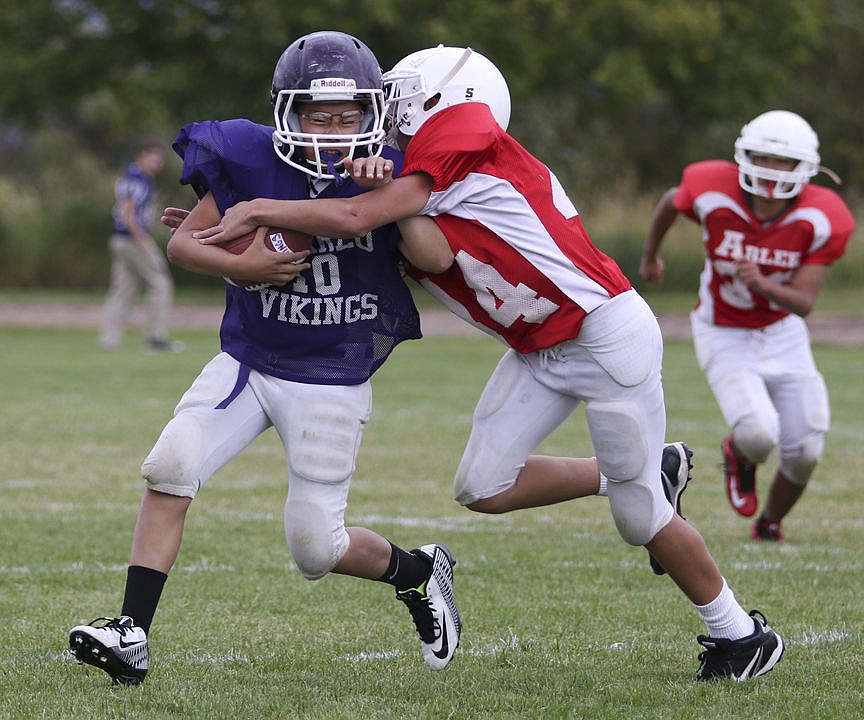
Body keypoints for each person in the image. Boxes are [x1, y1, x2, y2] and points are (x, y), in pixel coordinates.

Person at [190, 45, 785, 682]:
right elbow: (429, 249)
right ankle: (631, 471)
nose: (388, 110)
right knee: (482, 487)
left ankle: (741, 634)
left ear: (443, 100)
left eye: (401, 96)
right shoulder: (420, 181)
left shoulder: (463, 134)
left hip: (604, 337)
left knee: (640, 517)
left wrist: (254, 209)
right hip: (538, 349)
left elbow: (360, 215)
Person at [69, 31, 464, 686]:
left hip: (331, 373)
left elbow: (434, 259)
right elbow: (186, 246)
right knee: (172, 462)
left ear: (371, 114)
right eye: (319, 115)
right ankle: (131, 630)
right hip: (251, 360)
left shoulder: (387, 167)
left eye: (348, 117)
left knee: (316, 549)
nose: (335, 130)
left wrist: (391, 187)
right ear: (289, 111)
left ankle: (419, 572)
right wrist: (243, 265)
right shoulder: (251, 156)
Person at [640, 110, 854, 542]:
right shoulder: (714, 190)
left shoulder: (821, 215)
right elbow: (670, 200)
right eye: (763, 157)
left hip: (782, 331)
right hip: (723, 328)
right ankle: (739, 454)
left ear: (805, 169)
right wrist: (650, 256)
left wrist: (763, 282)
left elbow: (805, 303)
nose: (771, 170)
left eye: (783, 161)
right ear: (744, 155)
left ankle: (770, 523)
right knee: (757, 434)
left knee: (807, 447)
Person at [99, 140, 184, 353]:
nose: (156, 163)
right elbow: (127, 213)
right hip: (131, 239)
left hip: (119, 240)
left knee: (123, 289)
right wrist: (143, 238)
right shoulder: (137, 179)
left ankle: (109, 339)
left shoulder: (133, 176)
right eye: (152, 157)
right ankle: (155, 338)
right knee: (160, 283)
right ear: (140, 156)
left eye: (158, 158)